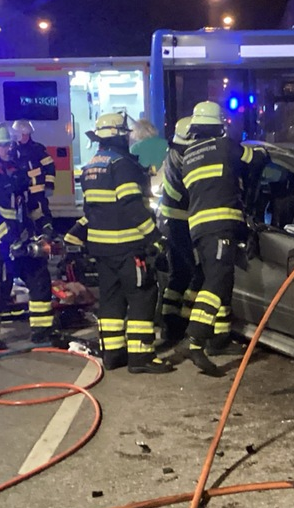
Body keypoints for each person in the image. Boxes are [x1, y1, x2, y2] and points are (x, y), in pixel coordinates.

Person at [71, 112, 172, 373]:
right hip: (127, 247)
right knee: (142, 295)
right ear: (118, 135)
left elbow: (91, 210)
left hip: (102, 249)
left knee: (112, 300)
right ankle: (141, 356)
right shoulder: (122, 165)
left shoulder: (92, 166)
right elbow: (131, 206)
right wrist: (155, 238)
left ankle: (113, 354)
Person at [175, 101, 267, 376]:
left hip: (200, 228)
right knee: (217, 280)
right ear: (218, 127)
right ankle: (195, 338)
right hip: (219, 226)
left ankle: (218, 339)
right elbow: (256, 158)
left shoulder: (189, 155)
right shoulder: (225, 146)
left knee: (218, 278)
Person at [0, 122, 59, 350]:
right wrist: (10, 240)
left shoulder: (15, 173)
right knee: (1, 286)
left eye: (10, 143)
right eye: (4, 144)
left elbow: (30, 206)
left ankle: (41, 330)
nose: (10, 148)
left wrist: (45, 227)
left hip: (18, 240)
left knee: (39, 277)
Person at [157, 116, 200, 347]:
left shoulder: (173, 153)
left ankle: (169, 324)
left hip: (173, 223)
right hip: (182, 224)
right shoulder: (183, 157)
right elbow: (191, 191)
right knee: (197, 274)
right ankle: (185, 323)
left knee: (179, 275)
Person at [11, 120, 56, 235]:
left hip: (37, 190)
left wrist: (49, 184)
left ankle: (46, 234)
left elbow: (49, 166)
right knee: (21, 218)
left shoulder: (37, 149)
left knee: (41, 214)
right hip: (20, 191)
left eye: (21, 134)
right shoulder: (13, 150)